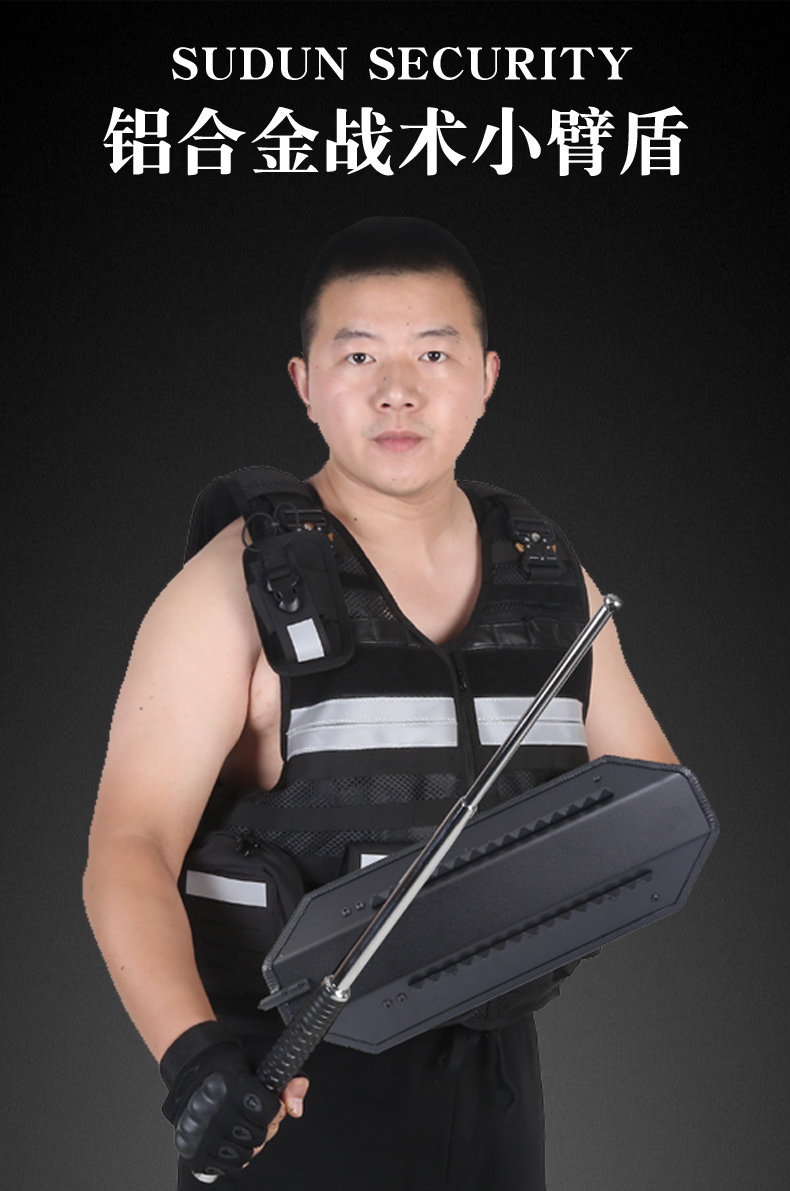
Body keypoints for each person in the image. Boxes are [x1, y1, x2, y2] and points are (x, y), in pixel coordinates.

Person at [83, 217, 678, 1190]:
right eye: (358, 355)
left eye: (433, 354)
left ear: (485, 378)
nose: (397, 390)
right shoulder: (227, 590)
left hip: (496, 1081)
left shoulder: (546, 578)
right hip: (287, 1088)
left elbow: (652, 801)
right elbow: (127, 846)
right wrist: (193, 1061)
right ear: (305, 382)